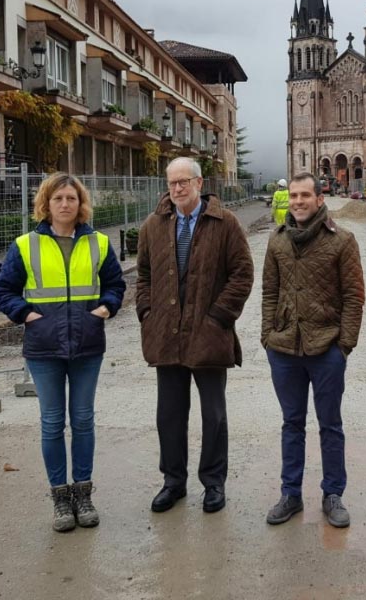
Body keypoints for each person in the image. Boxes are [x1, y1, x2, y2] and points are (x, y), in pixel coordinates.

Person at [0, 173, 126, 533]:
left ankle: (83, 493)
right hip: (43, 347)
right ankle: (60, 497)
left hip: (87, 345)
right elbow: (4, 289)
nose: (65, 204)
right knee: (52, 422)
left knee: (82, 420)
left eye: (71, 198)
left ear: (80, 202)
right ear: (46, 204)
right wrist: (27, 315)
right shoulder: (25, 245)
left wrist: (105, 309)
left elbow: (115, 283)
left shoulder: (98, 242)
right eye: (58, 199)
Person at [136, 156, 253, 515]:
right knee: (169, 414)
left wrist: (218, 317)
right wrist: (147, 314)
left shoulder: (225, 223)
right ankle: (173, 482)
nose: (177, 189)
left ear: (199, 184)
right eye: (172, 183)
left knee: (213, 414)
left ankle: (213, 483)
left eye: (184, 182)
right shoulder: (153, 226)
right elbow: (143, 276)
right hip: (166, 335)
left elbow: (242, 274)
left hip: (208, 335)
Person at [261, 172, 364, 528]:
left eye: (306, 195)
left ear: (320, 199)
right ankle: (290, 493)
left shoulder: (342, 241)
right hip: (284, 349)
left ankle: (333, 493)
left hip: (326, 349)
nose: (299, 201)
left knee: (330, 424)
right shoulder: (276, 242)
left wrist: (344, 345)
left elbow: (354, 297)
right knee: (292, 423)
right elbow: (269, 293)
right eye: (294, 196)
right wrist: (267, 336)